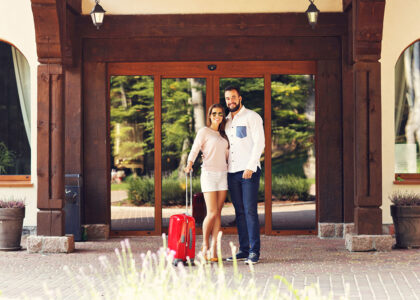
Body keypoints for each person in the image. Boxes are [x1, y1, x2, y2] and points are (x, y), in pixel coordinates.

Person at [224, 86, 265, 265]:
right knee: (239, 212)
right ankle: (244, 249)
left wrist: (250, 167)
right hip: (231, 172)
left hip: (248, 171)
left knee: (250, 211)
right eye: (227, 98)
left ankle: (254, 252)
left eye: (233, 97)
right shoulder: (225, 121)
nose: (230, 101)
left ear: (240, 98)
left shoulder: (252, 117)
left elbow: (259, 142)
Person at [184, 103, 229, 262]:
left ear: (223, 116)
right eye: (214, 113)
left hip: (223, 175)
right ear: (210, 116)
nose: (217, 116)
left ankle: (215, 250)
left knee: (218, 213)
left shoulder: (224, 135)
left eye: (220, 114)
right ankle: (204, 247)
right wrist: (189, 163)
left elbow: (228, 156)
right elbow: (195, 148)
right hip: (209, 174)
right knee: (211, 212)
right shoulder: (204, 131)